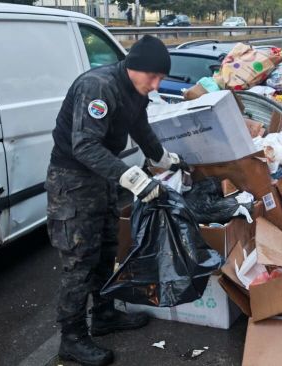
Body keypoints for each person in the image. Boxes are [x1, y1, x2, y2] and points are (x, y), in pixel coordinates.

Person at [46, 35, 185, 366]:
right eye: (153, 77)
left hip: (103, 177)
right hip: (72, 181)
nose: (156, 84)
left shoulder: (134, 92)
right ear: (135, 67)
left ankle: (104, 314)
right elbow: (85, 146)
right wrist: (136, 179)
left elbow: (140, 129)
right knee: (80, 260)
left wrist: (165, 159)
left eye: (161, 78)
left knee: (108, 247)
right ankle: (73, 337)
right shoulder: (98, 87)